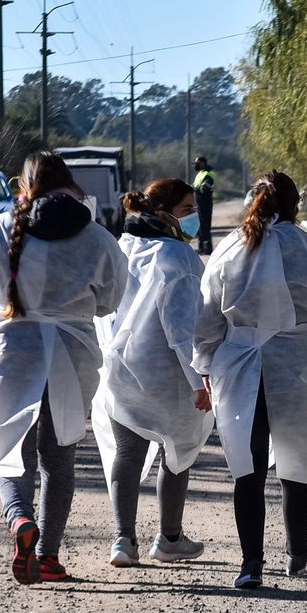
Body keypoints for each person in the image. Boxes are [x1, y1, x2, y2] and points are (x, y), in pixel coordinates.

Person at [193, 171, 307, 590]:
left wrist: (203, 368)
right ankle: (295, 548)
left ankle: (251, 563)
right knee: (295, 463)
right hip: (297, 366)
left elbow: (208, 318)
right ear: (295, 204)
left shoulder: (230, 250)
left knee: (247, 469)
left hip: (239, 367)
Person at [0, 151, 128, 585]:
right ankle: (49, 556)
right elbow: (110, 301)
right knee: (59, 457)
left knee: (11, 449)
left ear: (23, 185)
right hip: (73, 354)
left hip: (11, 349)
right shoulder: (96, 237)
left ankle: (19, 520)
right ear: (67, 184)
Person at [92, 178, 212, 568]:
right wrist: (201, 381)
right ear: (164, 213)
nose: (194, 217)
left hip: (121, 370)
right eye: (188, 210)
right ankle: (170, 537)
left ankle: (122, 541)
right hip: (168, 374)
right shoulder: (178, 257)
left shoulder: (120, 247)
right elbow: (181, 330)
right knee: (175, 453)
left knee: (127, 453)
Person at [192, 157, 218, 255]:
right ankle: (201, 247)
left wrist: (202, 188)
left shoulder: (209, 173)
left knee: (205, 226)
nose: (196, 165)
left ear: (203, 163)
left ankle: (208, 248)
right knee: (199, 227)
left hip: (205, 203)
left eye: (197, 163)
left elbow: (205, 187)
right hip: (198, 203)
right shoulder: (200, 173)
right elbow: (195, 186)